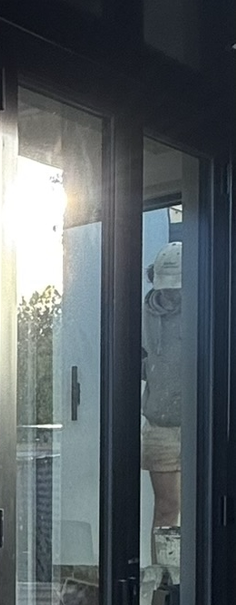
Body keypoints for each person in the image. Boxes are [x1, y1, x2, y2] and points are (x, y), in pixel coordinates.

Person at [141, 241, 183, 565]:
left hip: (201, 422)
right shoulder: (145, 313)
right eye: (165, 288)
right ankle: (162, 584)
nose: (170, 296)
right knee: (167, 508)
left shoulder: (206, 309)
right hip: (162, 426)